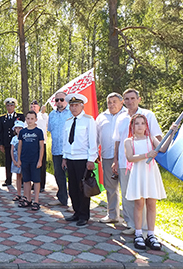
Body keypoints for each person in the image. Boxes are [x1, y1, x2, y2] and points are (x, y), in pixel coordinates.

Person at [112, 88, 162, 235]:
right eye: (126, 99)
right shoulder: (120, 118)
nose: (130, 101)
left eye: (132, 98)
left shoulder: (148, 115)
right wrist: (115, 160)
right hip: (124, 162)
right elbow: (117, 141)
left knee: (144, 195)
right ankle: (131, 225)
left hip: (144, 165)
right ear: (123, 101)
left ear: (139, 99)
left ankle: (145, 228)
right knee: (128, 194)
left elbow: (157, 138)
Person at [124, 114, 178, 250]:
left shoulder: (151, 139)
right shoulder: (128, 141)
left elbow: (163, 148)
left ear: (146, 126)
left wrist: (171, 133)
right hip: (138, 173)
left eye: (142, 123)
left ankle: (151, 234)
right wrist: (147, 155)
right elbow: (130, 158)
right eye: (137, 123)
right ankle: (138, 233)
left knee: (151, 204)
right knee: (139, 203)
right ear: (132, 126)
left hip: (150, 173)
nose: (140, 126)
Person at [62, 93, 98, 227]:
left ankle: (84, 215)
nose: (73, 108)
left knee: (83, 188)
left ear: (82, 106)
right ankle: (76, 212)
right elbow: (66, 141)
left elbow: (92, 141)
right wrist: (64, 157)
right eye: (71, 105)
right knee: (72, 188)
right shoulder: (68, 121)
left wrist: (91, 160)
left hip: (83, 159)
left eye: (76, 105)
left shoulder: (89, 120)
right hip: (70, 158)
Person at [96, 92, 126, 223]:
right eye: (109, 102)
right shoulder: (101, 117)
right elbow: (96, 136)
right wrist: (95, 152)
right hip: (107, 156)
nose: (111, 104)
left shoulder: (127, 115)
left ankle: (129, 219)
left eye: (114, 101)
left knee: (126, 188)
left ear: (121, 102)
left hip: (126, 157)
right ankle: (113, 215)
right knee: (111, 187)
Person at [16, 111, 44, 211]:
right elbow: (20, 146)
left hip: (35, 160)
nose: (30, 121)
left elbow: (41, 147)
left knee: (36, 181)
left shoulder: (38, 132)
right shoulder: (23, 132)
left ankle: (36, 201)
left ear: (36, 119)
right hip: (25, 159)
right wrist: (19, 159)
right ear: (25, 120)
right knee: (26, 180)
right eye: (28, 118)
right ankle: (28, 199)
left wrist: (40, 160)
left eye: (32, 119)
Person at [47, 91, 71, 207]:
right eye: (57, 100)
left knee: (72, 176)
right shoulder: (51, 114)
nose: (59, 102)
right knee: (58, 175)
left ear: (66, 100)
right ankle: (62, 199)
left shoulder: (72, 112)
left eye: (61, 99)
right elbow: (50, 130)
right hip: (56, 150)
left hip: (70, 151)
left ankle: (74, 202)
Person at [0, 98, 24, 186]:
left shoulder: (20, 116)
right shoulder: (2, 118)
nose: (10, 107)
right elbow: (0, 131)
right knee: (8, 161)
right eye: (8, 106)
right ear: (6, 107)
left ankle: (23, 180)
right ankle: (8, 180)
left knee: (21, 159)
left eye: (11, 106)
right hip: (7, 143)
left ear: (14, 106)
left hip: (19, 142)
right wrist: (1, 144)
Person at [30, 100, 48, 192]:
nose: (33, 108)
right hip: (32, 144)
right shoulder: (29, 118)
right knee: (33, 164)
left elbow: (47, 124)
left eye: (35, 107)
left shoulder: (43, 116)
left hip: (41, 143)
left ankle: (42, 184)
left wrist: (43, 113)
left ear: (39, 108)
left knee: (42, 164)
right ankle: (34, 182)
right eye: (32, 107)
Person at [10, 120, 26, 202]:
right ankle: (18, 193)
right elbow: (12, 150)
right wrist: (14, 160)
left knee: (26, 177)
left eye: (20, 128)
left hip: (24, 159)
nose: (18, 130)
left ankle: (25, 195)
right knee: (18, 177)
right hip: (16, 159)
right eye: (17, 128)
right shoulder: (14, 138)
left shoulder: (25, 137)